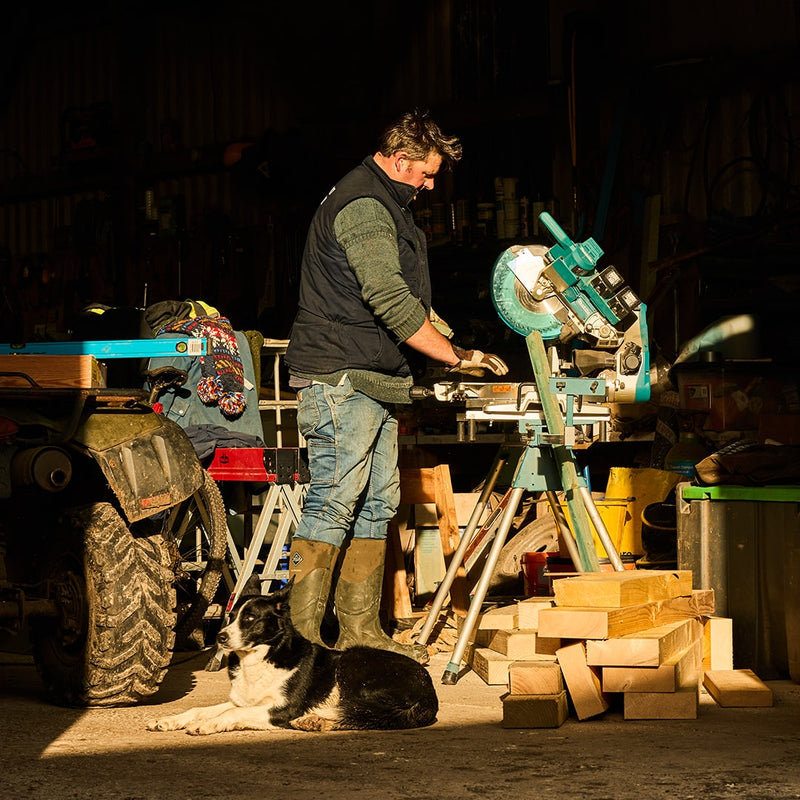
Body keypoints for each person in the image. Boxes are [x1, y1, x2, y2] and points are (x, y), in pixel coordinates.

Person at [284, 108, 508, 663]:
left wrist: (444, 332)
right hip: (342, 374)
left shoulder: (389, 204)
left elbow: (402, 296)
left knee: (377, 502)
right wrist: (457, 356)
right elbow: (386, 298)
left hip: (376, 377)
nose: (430, 186)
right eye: (426, 175)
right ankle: (303, 641)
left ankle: (360, 634)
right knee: (335, 500)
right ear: (399, 158)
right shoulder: (365, 207)